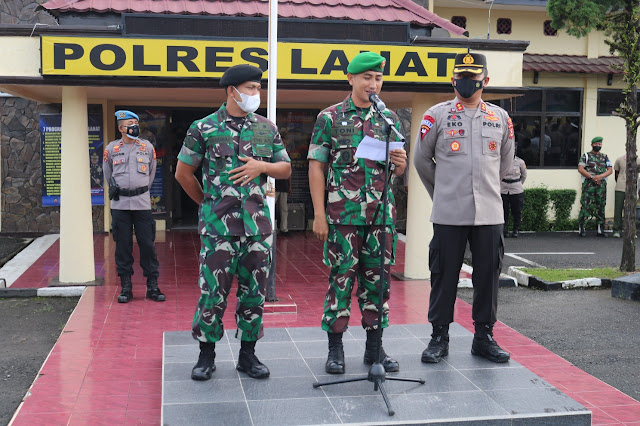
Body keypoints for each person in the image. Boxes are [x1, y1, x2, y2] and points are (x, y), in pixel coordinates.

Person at [174, 64, 291, 381]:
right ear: (231, 90)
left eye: (258, 88)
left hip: (257, 230)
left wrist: (260, 166)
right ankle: (206, 356)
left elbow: (285, 168)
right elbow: (183, 173)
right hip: (218, 230)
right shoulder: (204, 128)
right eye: (251, 88)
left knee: (254, 294)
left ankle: (248, 356)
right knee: (212, 292)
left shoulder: (266, 128)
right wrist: (207, 204)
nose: (256, 94)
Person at [308, 51, 408, 375]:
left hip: (380, 218)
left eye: (378, 78)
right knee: (340, 281)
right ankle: (335, 350)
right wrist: (319, 214)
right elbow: (316, 166)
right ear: (351, 79)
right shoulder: (330, 118)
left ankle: (374, 350)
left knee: (378, 285)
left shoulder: (388, 119)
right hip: (343, 217)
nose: (373, 84)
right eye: (367, 78)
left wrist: (401, 166)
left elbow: (396, 170)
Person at [413, 52, 515, 364]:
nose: (467, 82)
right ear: (452, 80)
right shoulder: (437, 115)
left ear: (486, 80)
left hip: (489, 214)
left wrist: (484, 188)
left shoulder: (500, 118)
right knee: (443, 275)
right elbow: (420, 160)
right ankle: (438, 337)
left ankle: (483, 337)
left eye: (473, 77)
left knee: (488, 275)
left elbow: (506, 163)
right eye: (461, 77)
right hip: (449, 214)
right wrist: (444, 192)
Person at [103, 110, 165, 304]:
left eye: (135, 123)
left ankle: (152, 286)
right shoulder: (112, 149)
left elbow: (151, 173)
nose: (134, 126)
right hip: (120, 204)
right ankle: (126, 286)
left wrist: (139, 190)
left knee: (147, 244)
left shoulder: (147, 147)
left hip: (142, 203)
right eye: (129, 123)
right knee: (123, 246)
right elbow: (108, 174)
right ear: (121, 128)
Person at [578, 137, 612, 237]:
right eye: (596, 144)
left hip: (601, 185)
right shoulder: (586, 156)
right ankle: (582, 228)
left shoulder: (605, 157)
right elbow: (580, 168)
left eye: (600, 144)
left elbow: (610, 170)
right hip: (589, 184)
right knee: (586, 205)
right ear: (592, 144)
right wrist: (592, 177)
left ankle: (600, 229)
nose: (598, 145)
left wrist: (599, 177)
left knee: (601, 206)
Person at [612, 153, 640, 238]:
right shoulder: (619, 159)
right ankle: (617, 230)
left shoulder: (638, 160)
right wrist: (621, 182)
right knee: (618, 209)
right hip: (620, 187)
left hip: (632, 189)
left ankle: (631, 231)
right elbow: (616, 174)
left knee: (631, 210)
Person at [501, 150, 527, 237]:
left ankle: (516, 230)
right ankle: (505, 230)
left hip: (516, 190)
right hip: (503, 189)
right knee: (504, 211)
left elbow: (524, 176)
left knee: (516, 211)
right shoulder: (501, 161)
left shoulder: (520, 162)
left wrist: (517, 184)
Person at [275, 129, 292, 235]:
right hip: (274, 185)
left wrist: (290, 186)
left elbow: (289, 173)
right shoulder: (274, 154)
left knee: (284, 208)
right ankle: (273, 228)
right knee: (272, 207)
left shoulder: (287, 156)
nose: (284, 145)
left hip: (284, 185)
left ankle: (284, 228)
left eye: (285, 143)